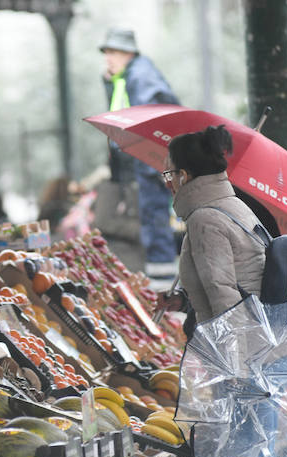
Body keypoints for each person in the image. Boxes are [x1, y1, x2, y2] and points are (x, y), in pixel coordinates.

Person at [154, 126, 287, 457]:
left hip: (240, 353)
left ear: (184, 176)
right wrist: (182, 302)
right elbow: (239, 278)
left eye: (168, 175)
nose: (166, 182)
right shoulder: (232, 205)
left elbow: (223, 298)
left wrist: (233, 369)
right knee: (257, 453)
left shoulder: (203, 220)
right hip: (259, 343)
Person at [100, 27, 180, 282]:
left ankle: (161, 282)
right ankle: (159, 276)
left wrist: (156, 162)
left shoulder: (141, 76)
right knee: (151, 218)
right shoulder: (129, 76)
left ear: (128, 53)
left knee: (154, 219)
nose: (108, 58)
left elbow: (149, 117)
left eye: (112, 52)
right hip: (146, 163)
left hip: (150, 164)